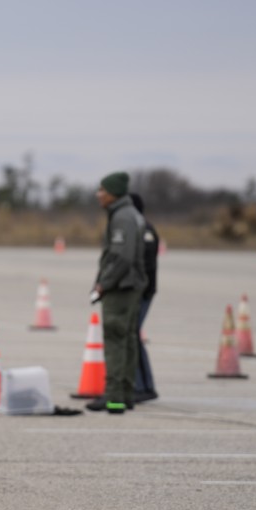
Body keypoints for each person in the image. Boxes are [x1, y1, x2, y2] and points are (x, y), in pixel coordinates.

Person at [87, 172, 147, 414]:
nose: (98, 195)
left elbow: (122, 257)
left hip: (121, 289)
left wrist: (104, 284)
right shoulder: (131, 214)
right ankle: (126, 395)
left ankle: (114, 398)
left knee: (115, 340)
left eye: (102, 190)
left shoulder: (122, 217)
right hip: (131, 287)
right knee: (128, 340)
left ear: (114, 193)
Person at [131, 192, 159, 403]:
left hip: (142, 292)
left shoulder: (145, 231)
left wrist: (139, 288)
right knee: (131, 335)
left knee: (132, 335)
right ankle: (140, 384)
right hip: (135, 291)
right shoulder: (134, 229)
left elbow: (147, 265)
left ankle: (145, 386)